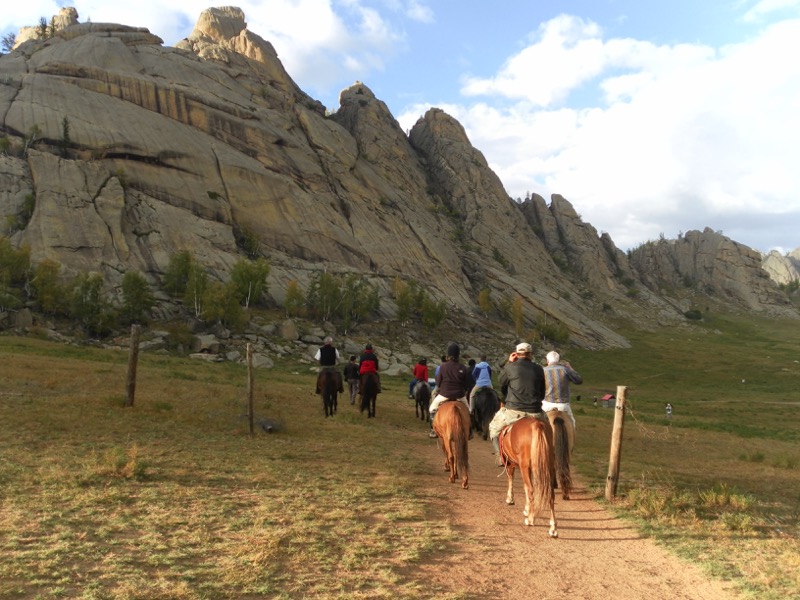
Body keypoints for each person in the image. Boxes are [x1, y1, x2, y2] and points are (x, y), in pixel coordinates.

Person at [488, 342, 546, 464]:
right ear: (530, 354)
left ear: (516, 354)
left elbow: (501, 381)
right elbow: (542, 394)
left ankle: (500, 456)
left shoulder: (510, 367)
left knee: (493, 428)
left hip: (514, 412)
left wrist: (509, 362)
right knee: (549, 432)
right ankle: (551, 455)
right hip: (536, 412)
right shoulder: (539, 369)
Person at [428, 343, 474, 439]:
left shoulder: (443, 366)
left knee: (432, 408)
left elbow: (438, 381)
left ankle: (433, 430)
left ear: (448, 355)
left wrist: (442, 387)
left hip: (444, 394)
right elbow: (466, 384)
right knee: (469, 410)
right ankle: (469, 431)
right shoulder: (463, 367)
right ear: (458, 355)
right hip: (459, 395)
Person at [542, 350, 582, 454]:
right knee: (572, 424)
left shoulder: (543, 370)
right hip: (563, 405)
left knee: (538, 424)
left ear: (547, 360)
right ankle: (571, 447)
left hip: (546, 404)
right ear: (558, 360)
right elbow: (579, 380)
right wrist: (570, 368)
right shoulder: (565, 370)